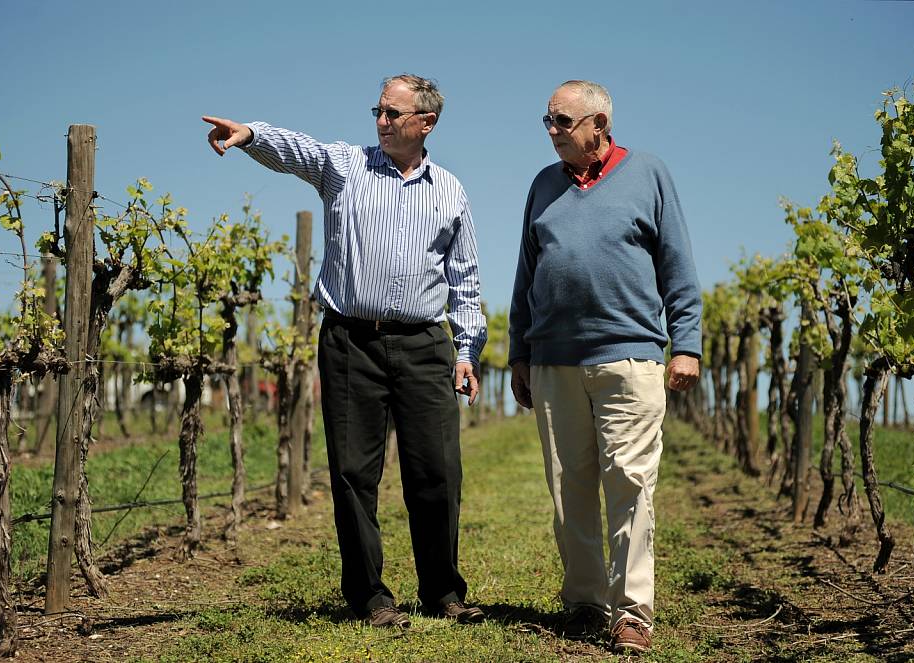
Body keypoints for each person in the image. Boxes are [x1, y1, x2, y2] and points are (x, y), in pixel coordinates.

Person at [203, 74, 487, 629]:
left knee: (437, 472)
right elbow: (298, 151)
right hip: (351, 340)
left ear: (426, 123)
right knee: (354, 473)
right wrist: (250, 134)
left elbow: (465, 279)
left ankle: (444, 591)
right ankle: (370, 597)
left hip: (424, 342)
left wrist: (467, 350)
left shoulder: (450, 189)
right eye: (377, 111)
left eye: (392, 113)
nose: (380, 121)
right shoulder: (345, 167)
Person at [508, 80, 702, 654]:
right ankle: (586, 601)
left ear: (599, 126)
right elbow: (525, 273)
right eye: (546, 120)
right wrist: (520, 350)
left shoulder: (648, 174)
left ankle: (632, 612)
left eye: (561, 122)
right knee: (569, 487)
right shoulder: (543, 185)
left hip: (630, 357)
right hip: (554, 362)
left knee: (631, 483)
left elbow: (678, 266)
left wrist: (685, 343)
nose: (551, 131)